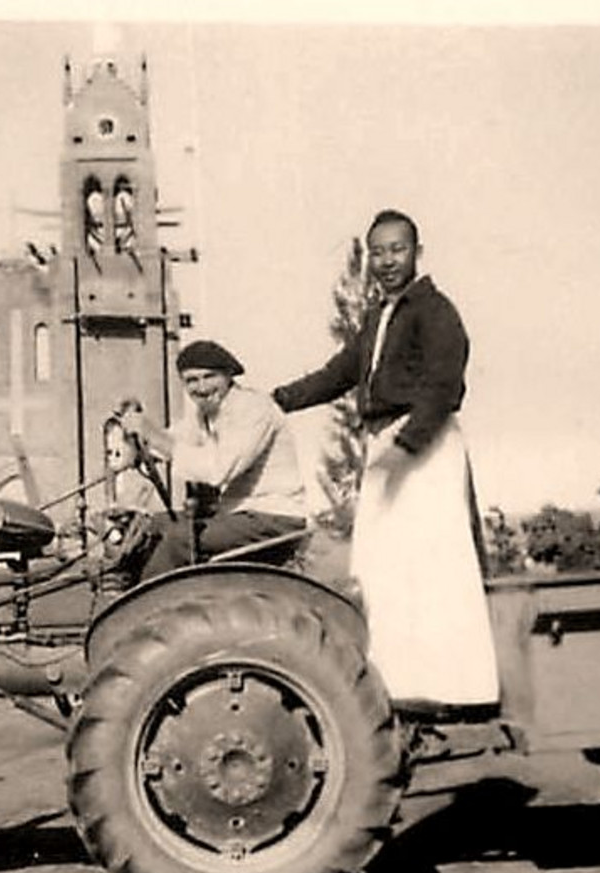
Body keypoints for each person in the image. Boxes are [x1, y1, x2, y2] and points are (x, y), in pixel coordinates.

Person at [272, 209, 499, 720]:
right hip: (385, 445)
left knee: (432, 565)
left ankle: (456, 689)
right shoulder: (378, 315)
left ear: (417, 253)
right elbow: (338, 373)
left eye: (397, 250)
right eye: (377, 252)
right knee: (381, 569)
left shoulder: (435, 310)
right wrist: (276, 401)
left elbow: (445, 386)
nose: (386, 261)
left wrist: (407, 448)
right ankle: (396, 685)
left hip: (423, 446)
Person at [117, 340, 306, 581]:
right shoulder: (206, 415)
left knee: (180, 539)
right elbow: (171, 441)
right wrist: (136, 442)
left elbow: (217, 471)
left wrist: (153, 436)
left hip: (273, 517)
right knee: (149, 526)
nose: (202, 387)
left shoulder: (254, 408)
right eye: (191, 381)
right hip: (238, 516)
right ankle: (122, 590)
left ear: (229, 375)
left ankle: (145, 611)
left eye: (209, 377)